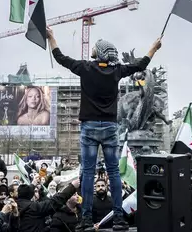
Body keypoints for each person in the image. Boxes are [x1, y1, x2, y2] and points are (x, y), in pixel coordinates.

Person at [47, 26, 161, 232]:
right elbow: (141, 64)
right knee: (114, 172)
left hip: (89, 127)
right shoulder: (117, 70)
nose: (91, 48)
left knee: (88, 174)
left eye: (94, 47)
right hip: (110, 127)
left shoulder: (85, 68)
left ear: (99, 52)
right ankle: (118, 218)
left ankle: (87, 219)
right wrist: (154, 48)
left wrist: (52, 38)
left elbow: (60, 57)